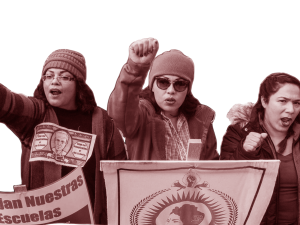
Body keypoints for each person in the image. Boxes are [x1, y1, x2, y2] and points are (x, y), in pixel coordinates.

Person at [0, 48, 126, 224]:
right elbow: (5, 101)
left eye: (64, 77)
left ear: (79, 84)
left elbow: (119, 176)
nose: (55, 81)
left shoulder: (102, 121)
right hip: (41, 219)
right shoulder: (37, 113)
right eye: (48, 76)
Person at [108, 37, 218, 160]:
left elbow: (212, 168)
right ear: (152, 86)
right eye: (163, 82)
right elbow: (120, 109)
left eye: (180, 84)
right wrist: (135, 69)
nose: (171, 91)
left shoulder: (202, 120)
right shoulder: (141, 117)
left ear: (188, 90)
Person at [220, 72, 300, 224]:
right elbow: (224, 184)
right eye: (283, 101)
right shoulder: (238, 133)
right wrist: (244, 152)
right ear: (264, 100)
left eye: (297, 103)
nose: (291, 109)